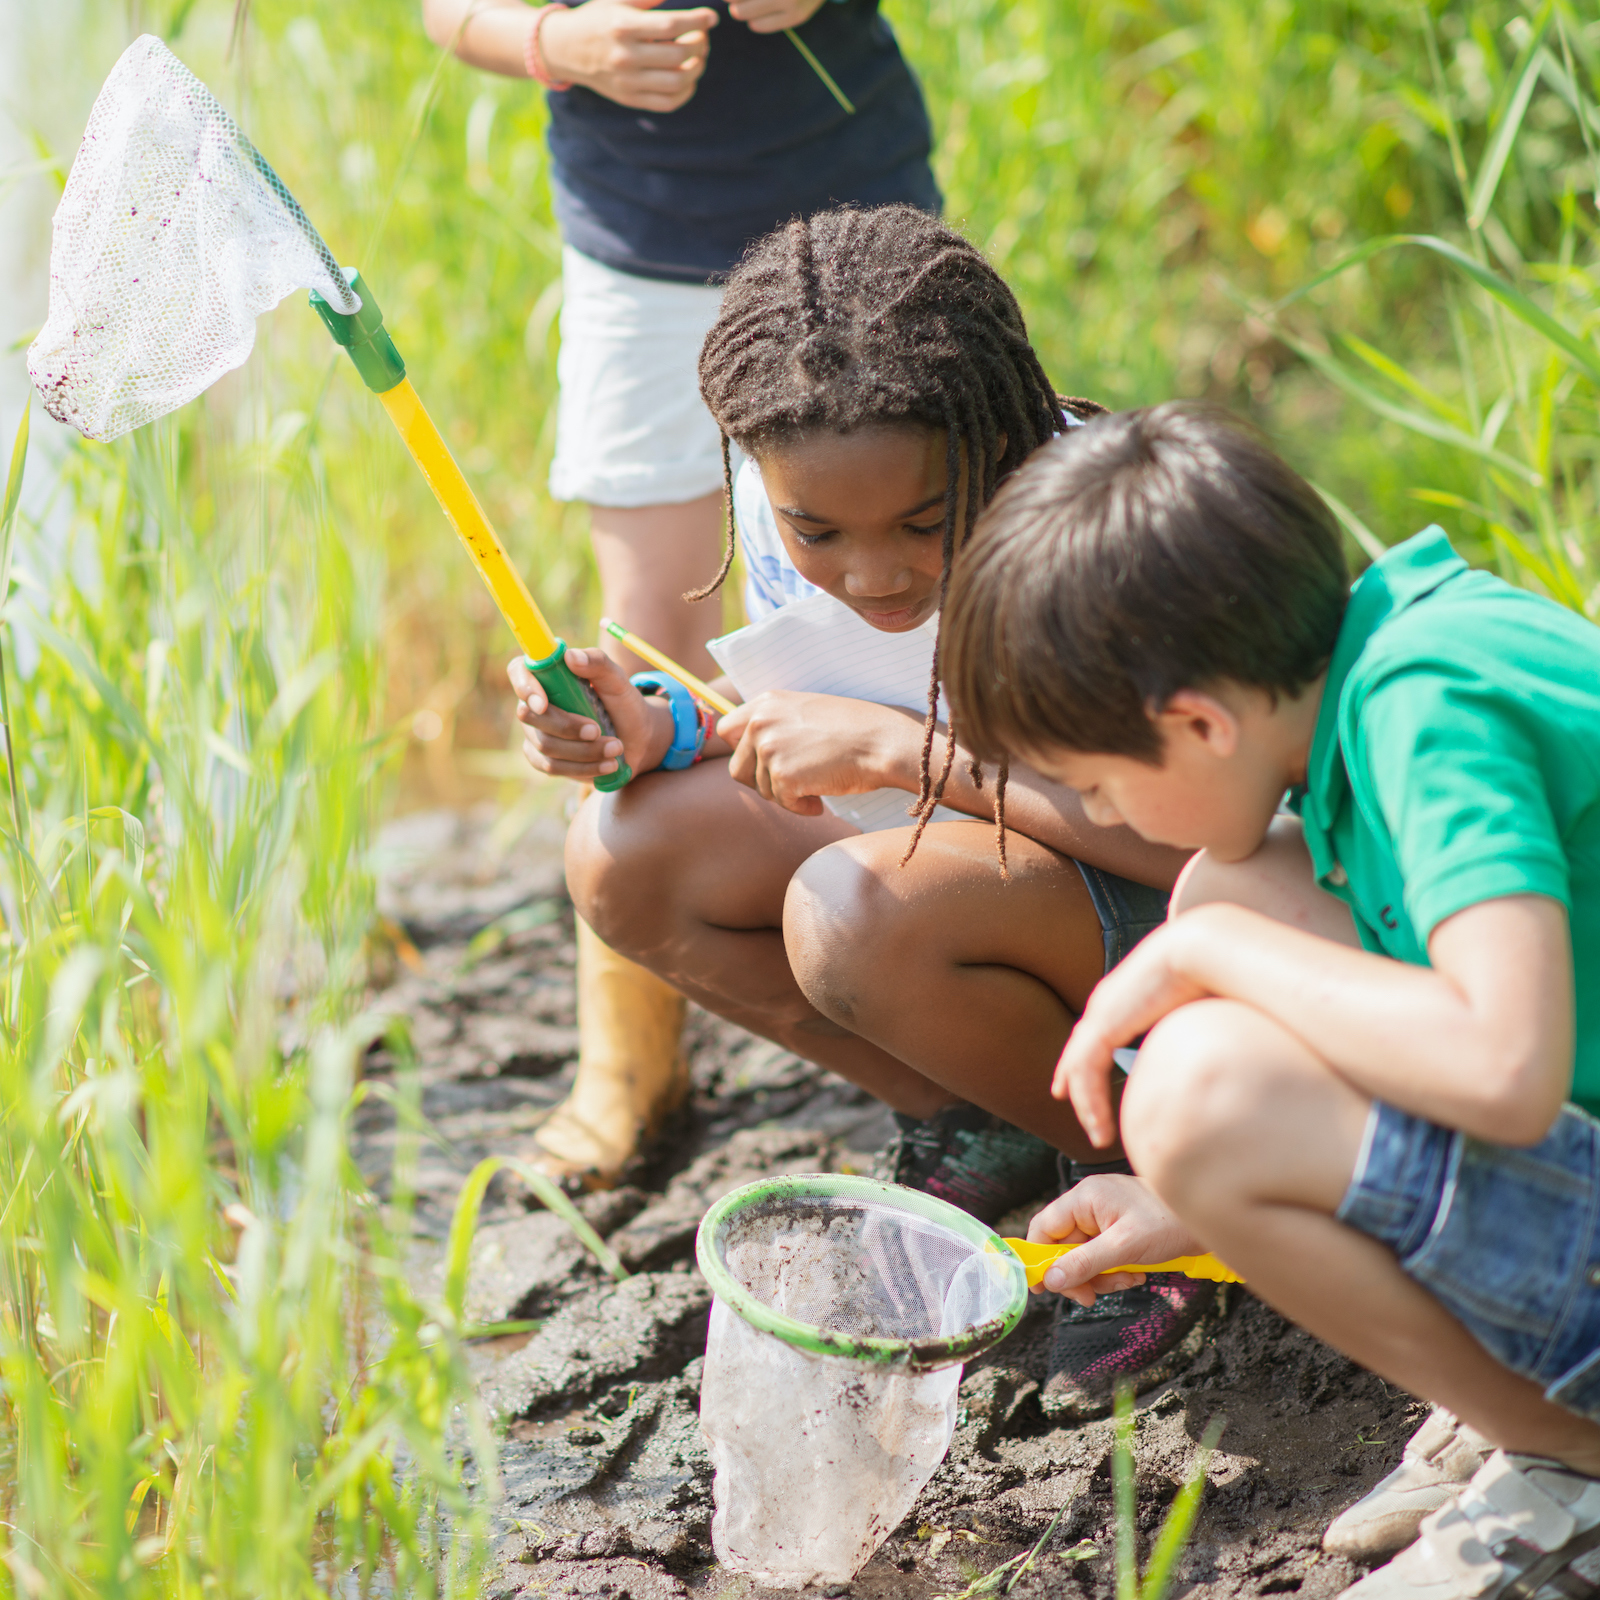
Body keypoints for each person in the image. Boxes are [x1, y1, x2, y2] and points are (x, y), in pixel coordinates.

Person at [511, 205, 1224, 1418]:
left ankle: (1147, 1184)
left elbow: (1207, 839)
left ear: (994, 439)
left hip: (1186, 933)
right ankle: (988, 1115)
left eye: (919, 526)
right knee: (628, 848)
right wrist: (663, 725)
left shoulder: (1103, 532)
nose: (870, 572)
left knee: (849, 908)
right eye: (816, 531)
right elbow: (818, 690)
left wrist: (908, 752)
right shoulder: (802, 502)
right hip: (997, 865)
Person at [941, 402, 1600, 1598]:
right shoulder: (1400, 661)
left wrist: (1221, 966)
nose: (1106, 822)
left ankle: (1570, 1457)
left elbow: (1504, 1067)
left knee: (1198, 1086)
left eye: (1097, 786)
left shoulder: (1430, 711)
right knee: (1237, 890)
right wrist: (1190, 1204)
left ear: (1195, 720)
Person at [421, 0, 942, 1193]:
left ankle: (937, 934)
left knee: (899, 581)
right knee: (645, 617)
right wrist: (565, 47)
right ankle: (628, 1067)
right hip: (639, 240)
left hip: (855, 221)